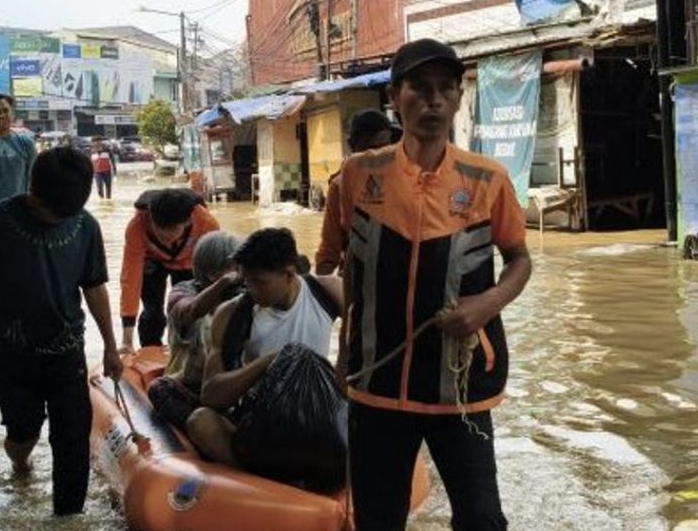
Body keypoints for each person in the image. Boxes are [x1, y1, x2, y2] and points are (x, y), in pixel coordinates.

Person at [338, 38, 533, 530]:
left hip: (460, 386)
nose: (434, 101)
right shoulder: (357, 176)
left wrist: (487, 304)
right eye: (420, 89)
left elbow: (519, 260)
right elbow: (337, 265)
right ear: (395, 96)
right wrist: (341, 350)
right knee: (378, 520)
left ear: (459, 99)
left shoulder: (487, 178)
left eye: (446, 89)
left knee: (483, 519)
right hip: (377, 386)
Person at [0, 146, 123, 516]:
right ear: (33, 191)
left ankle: (67, 518)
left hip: (67, 349)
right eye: (50, 212)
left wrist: (110, 346)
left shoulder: (84, 225)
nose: (57, 220)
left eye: (64, 215)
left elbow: (94, 287)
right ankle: (20, 464)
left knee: (71, 440)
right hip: (11, 352)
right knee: (23, 434)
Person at [186, 227, 342, 467]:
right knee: (201, 421)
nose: (250, 289)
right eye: (246, 280)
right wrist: (267, 362)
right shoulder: (232, 313)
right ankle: (255, 482)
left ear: (289, 275)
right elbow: (211, 395)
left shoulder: (327, 291)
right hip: (264, 420)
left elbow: (366, 344)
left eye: (259, 282)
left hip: (318, 411)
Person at [146, 231, 243, 430]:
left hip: (228, 388)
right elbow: (190, 312)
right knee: (160, 390)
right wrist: (223, 283)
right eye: (236, 267)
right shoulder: (182, 291)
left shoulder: (245, 295)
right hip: (189, 387)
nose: (242, 273)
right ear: (213, 273)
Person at [120, 188, 220, 352]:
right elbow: (130, 279)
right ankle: (149, 350)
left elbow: (213, 270)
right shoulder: (136, 226)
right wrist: (126, 340)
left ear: (187, 222)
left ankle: (187, 350)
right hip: (152, 263)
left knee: (186, 309)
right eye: (160, 230)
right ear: (151, 218)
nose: (165, 238)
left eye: (172, 231)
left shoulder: (207, 224)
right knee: (152, 312)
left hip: (189, 262)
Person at [315, 109, 398, 276]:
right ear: (356, 148)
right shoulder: (340, 186)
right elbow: (329, 252)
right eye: (375, 148)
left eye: (387, 147)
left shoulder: (404, 179)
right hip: (359, 278)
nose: (380, 154)